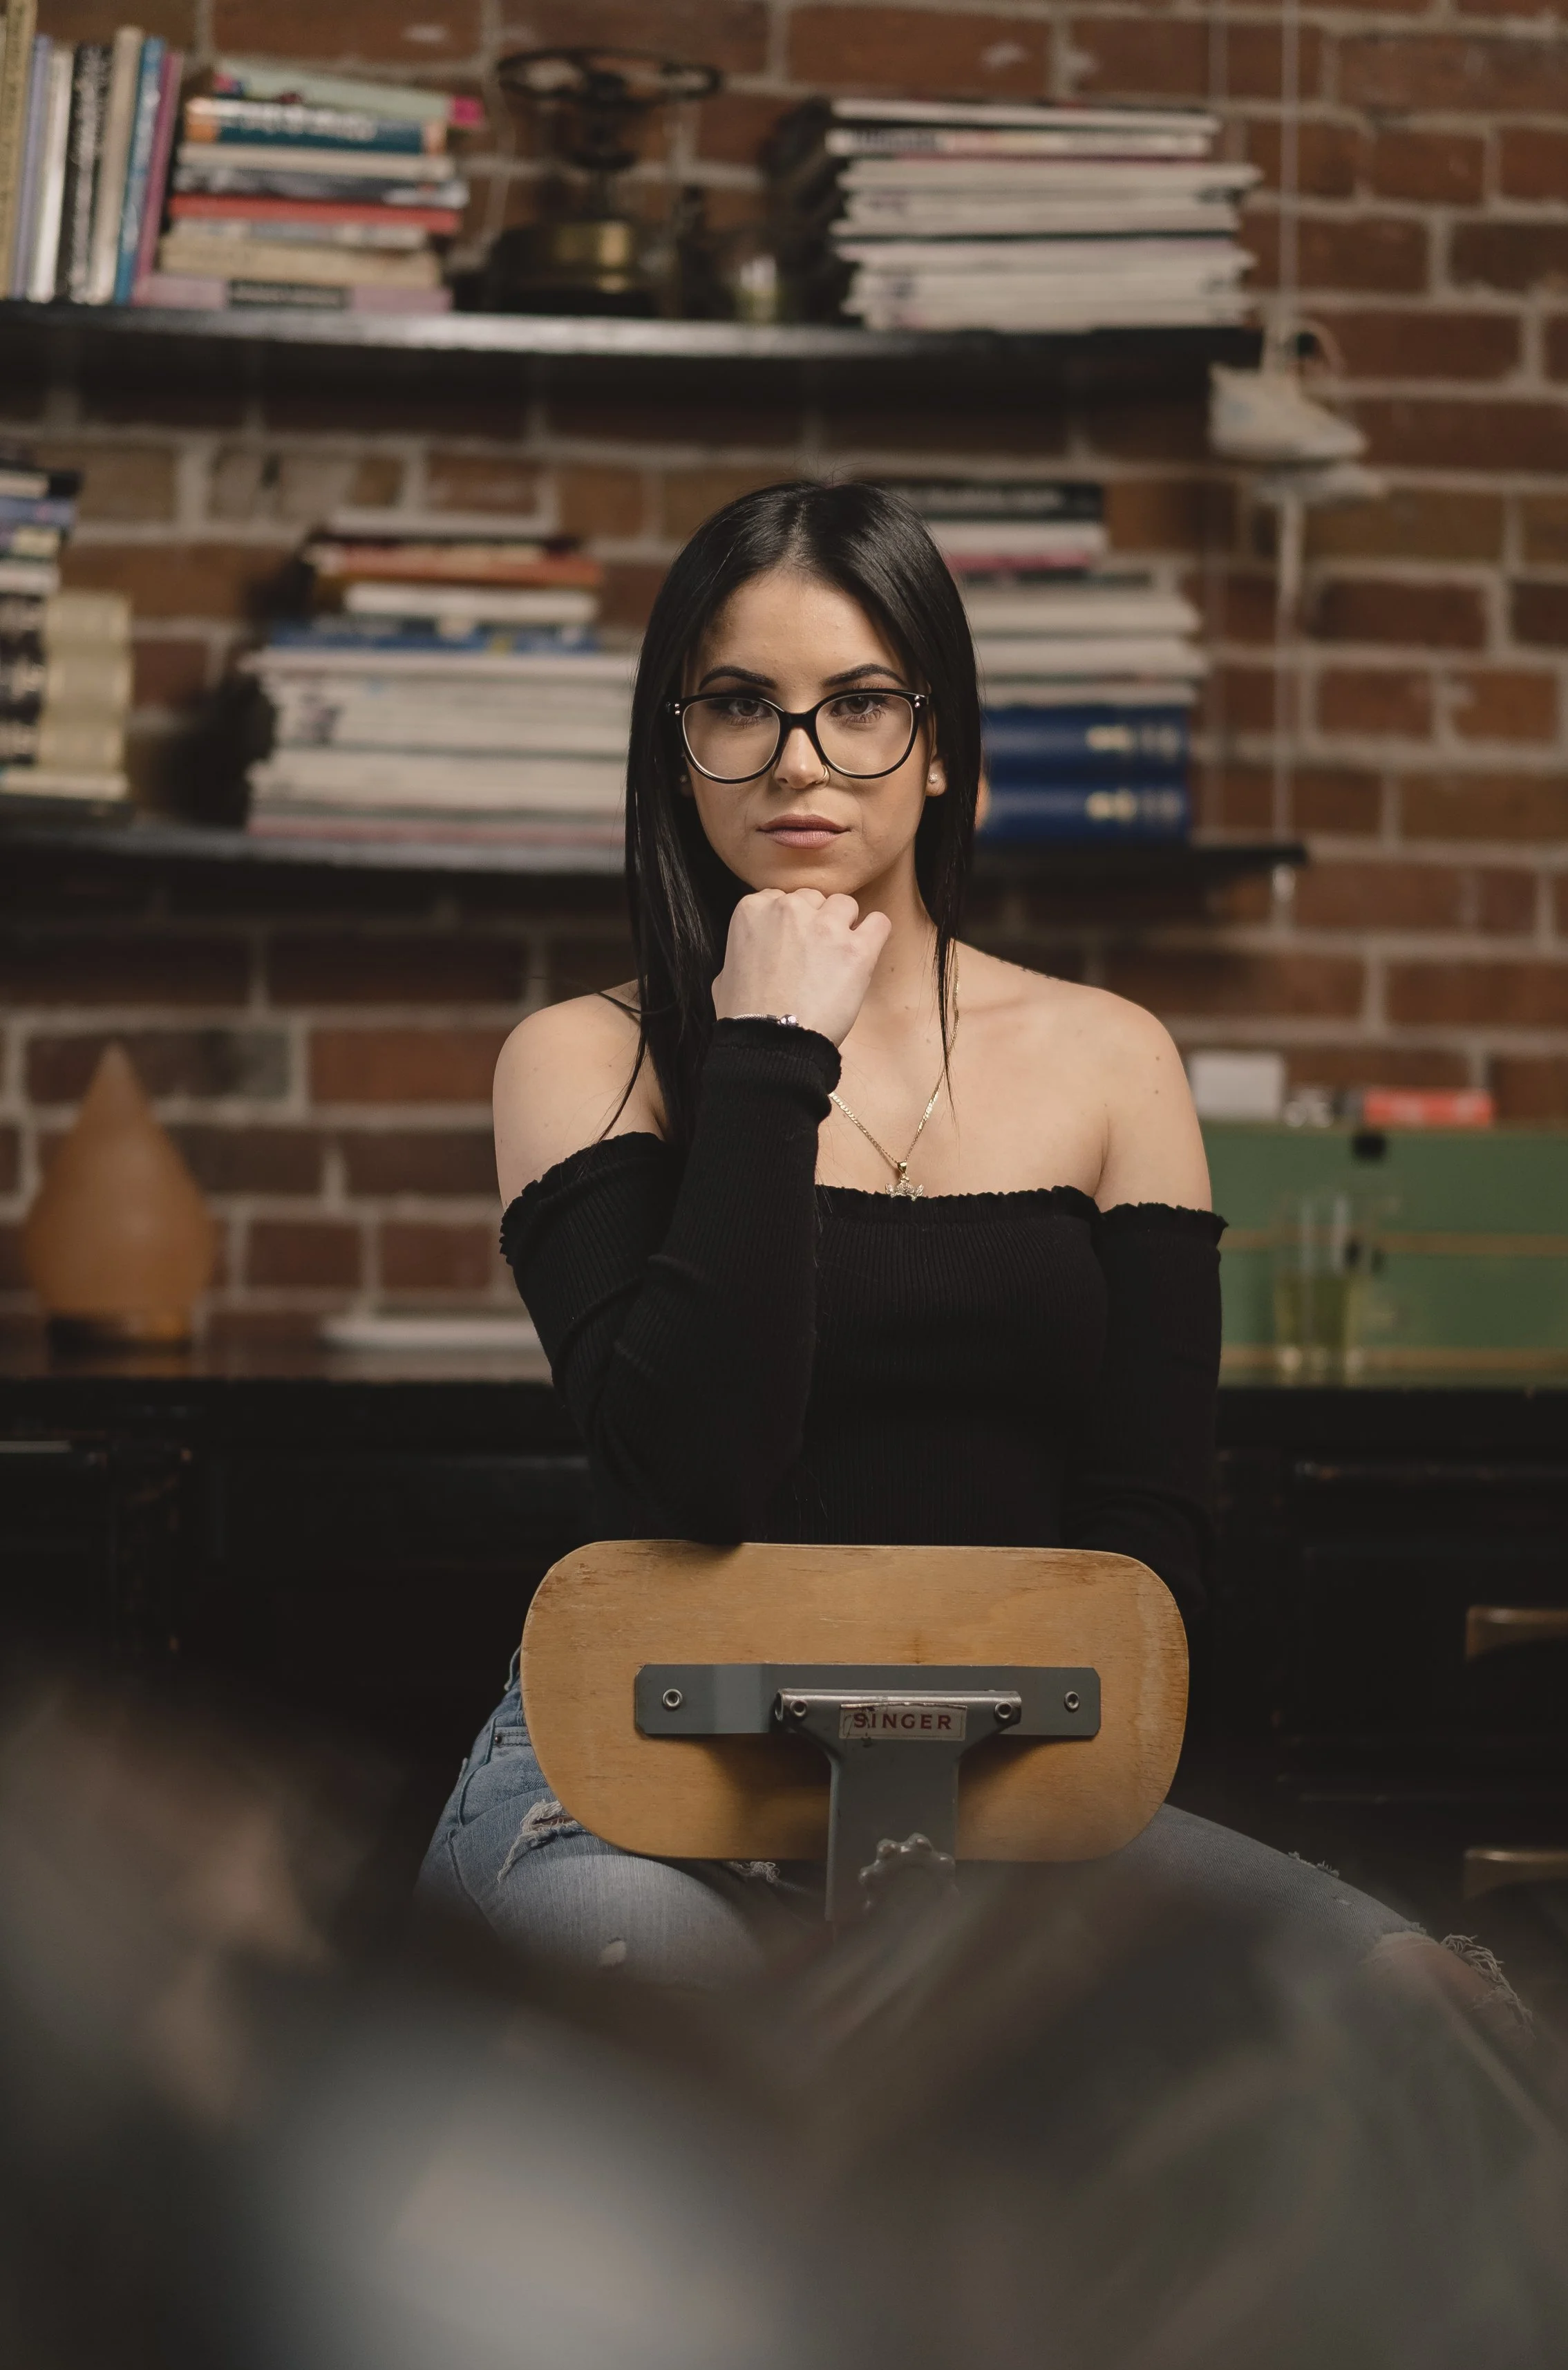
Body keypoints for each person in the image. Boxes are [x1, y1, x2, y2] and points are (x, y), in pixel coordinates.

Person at [417, 480, 1489, 2013]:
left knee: (1399, 1998)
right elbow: (695, 1472)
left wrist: (957, 1828)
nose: (798, 761)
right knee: (696, 2048)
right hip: (630, 1778)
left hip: (1002, 1771)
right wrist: (772, 1042)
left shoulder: (1111, 1059)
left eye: (857, 704)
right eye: (740, 705)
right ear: (678, 746)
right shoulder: (577, 1060)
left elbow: (1145, 1552)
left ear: (938, 747)